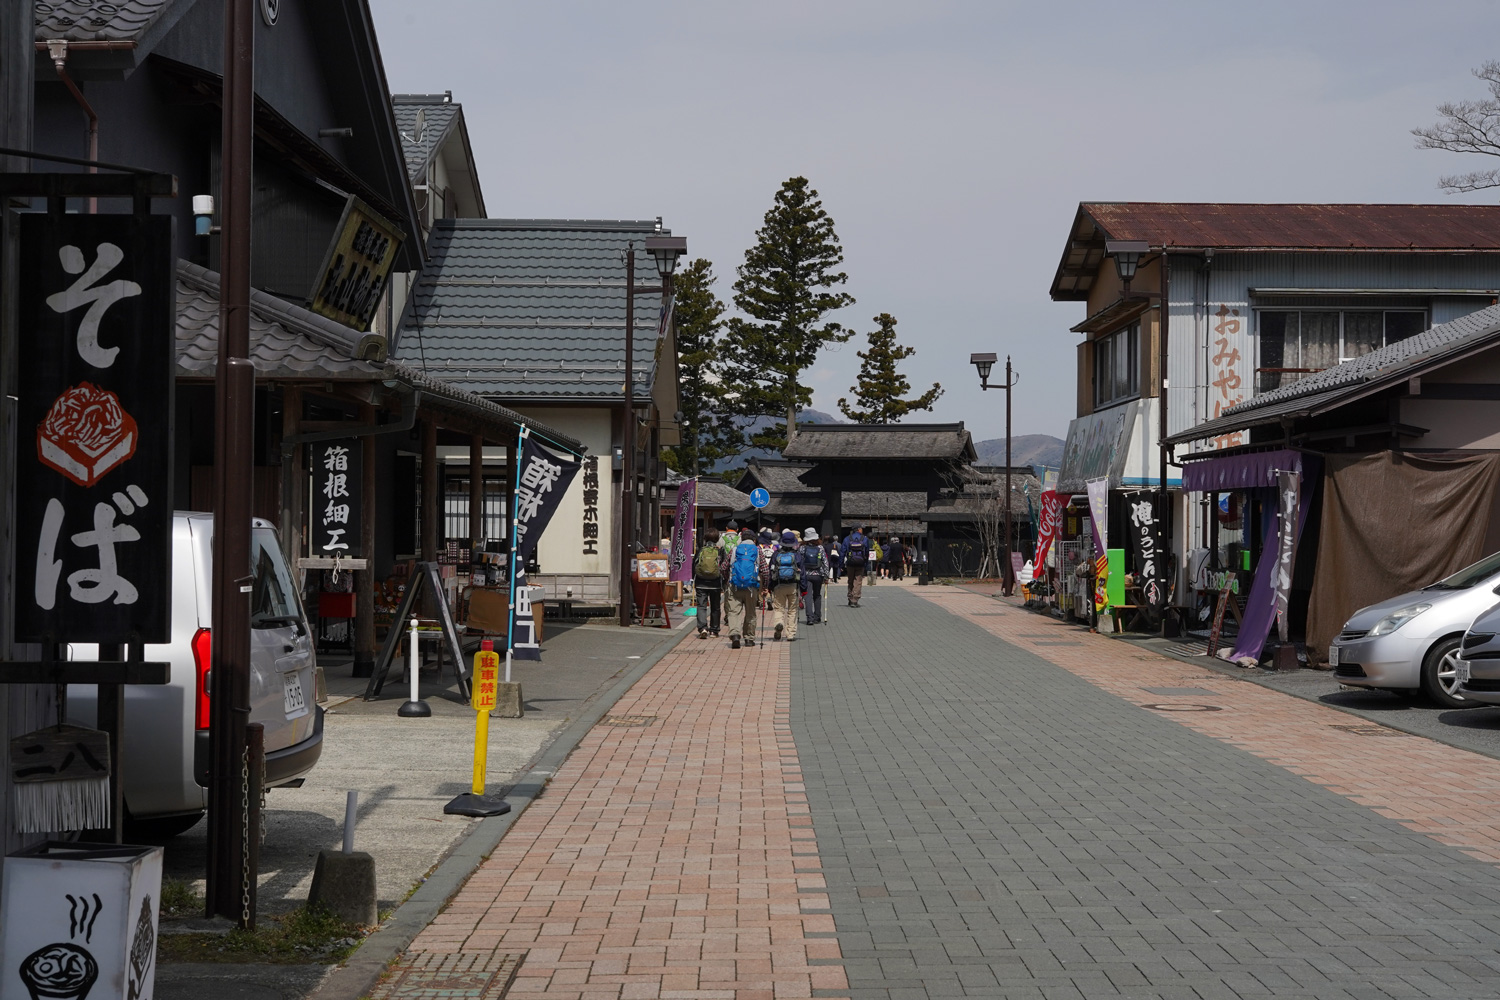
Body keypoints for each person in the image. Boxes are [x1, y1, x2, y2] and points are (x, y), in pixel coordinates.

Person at [725, 529, 765, 648]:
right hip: (751, 587)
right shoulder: (757, 551)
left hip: (735, 586)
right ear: (754, 539)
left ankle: (735, 635)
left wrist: (728, 579)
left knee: (733, 612)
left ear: (741, 539)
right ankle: (749, 638)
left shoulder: (735, 550)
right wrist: (765, 586)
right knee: (751, 613)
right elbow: (765, 570)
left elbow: (723, 567)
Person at [769, 529, 802, 641]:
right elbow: (802, 573)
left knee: (779, 608)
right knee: (792, 610)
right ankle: (790, 634)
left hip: (779, 585)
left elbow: (771, 571)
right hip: (793, 585)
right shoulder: (797, 555)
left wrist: (770, 587)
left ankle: (779, 623)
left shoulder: (776, 554)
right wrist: (804, 588)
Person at [693, 527, 724, 639]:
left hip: (701, 582)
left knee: (701, 606)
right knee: (715, 607)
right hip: (715, 583)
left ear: (705, 538)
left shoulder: (701, 550)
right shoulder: (720, 551)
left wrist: (694, 580)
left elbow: (694, 565)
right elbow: (724, 567)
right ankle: (714, 631)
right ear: (716, 539)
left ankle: (703, 628)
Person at [801, 528, 829, 625]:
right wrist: (826, 576)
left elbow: (799, 562)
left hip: (807, 575)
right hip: (818, 575)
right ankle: (817, 616)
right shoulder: (820, 548)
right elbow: (825, 562)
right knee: (817, 595)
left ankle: (810, 618)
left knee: (807, 596)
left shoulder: (802, 548)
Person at [841, 527, 870, 607]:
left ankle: (850, 597)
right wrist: (866, 563)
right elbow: (867, 552)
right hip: (860, 562)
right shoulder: (864, 538)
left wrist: (841, 564)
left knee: (850, 580)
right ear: (859, 529)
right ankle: (855, 599)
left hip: (850, 562)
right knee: (858, 581)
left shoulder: (847, 538)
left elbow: (842, 552)